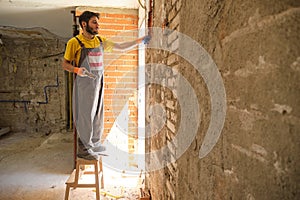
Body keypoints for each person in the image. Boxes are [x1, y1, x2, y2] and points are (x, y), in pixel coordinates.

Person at [62, 11, 150, 160]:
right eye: (94, 22)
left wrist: (140, 40)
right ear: (84, 24)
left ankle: (95, 144)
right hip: (84, 85)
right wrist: (77, 70)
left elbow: (121, 47)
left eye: (97, 22)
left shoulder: (100, 41)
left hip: (98, 82)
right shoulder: (75, 43)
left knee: (97, 114)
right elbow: (65, 64)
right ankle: (84, 149)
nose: (98, 25)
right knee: (86, 116)